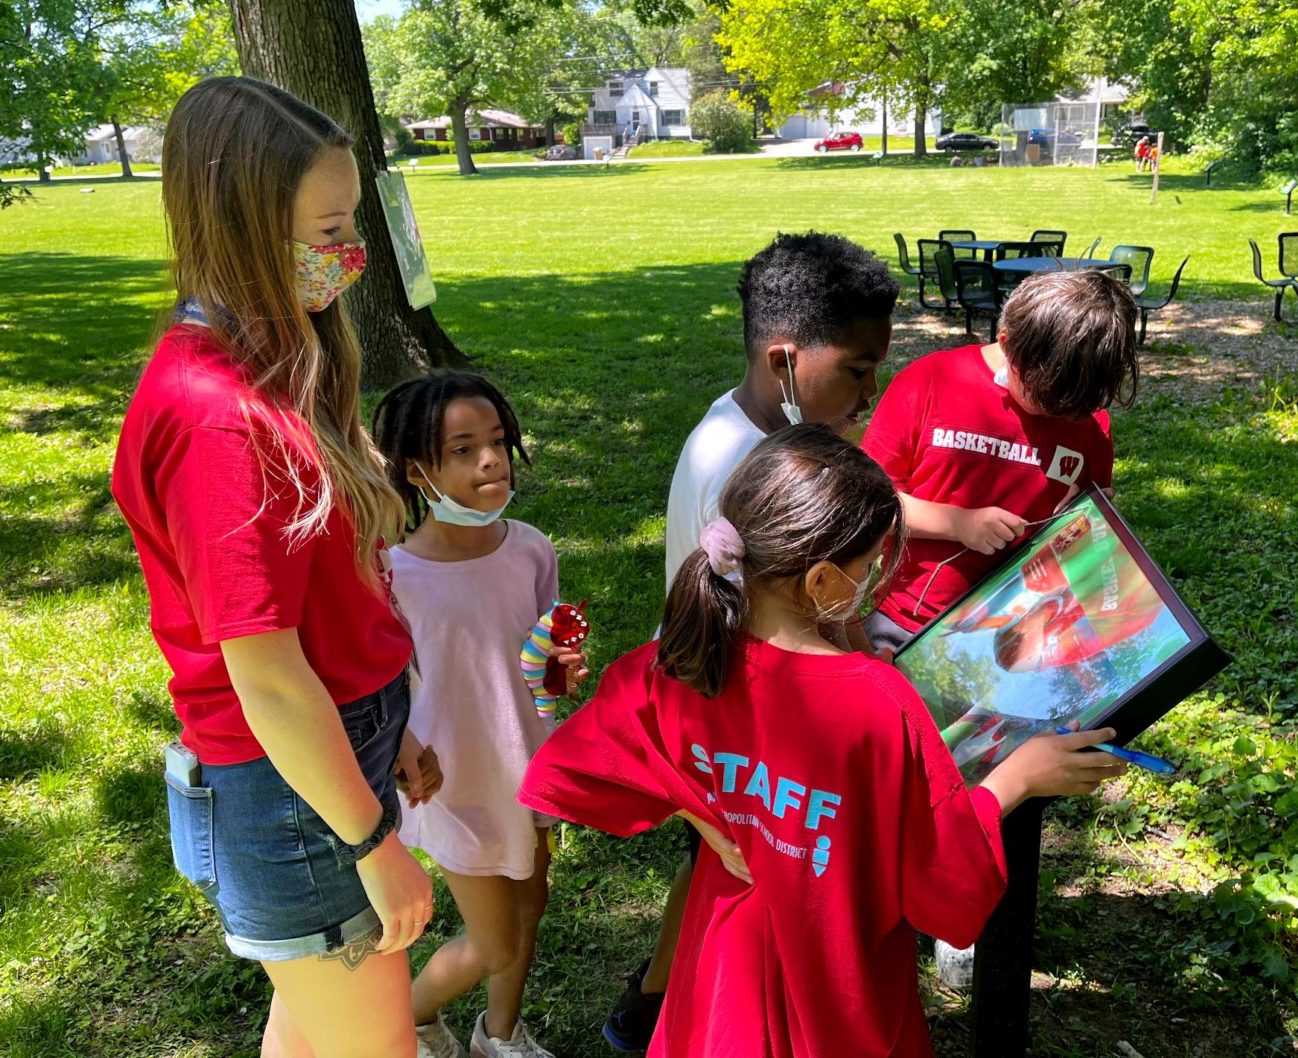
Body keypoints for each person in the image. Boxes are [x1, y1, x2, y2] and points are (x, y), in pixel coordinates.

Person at [517, 424, 1126, 1058]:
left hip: (722, 977)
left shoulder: (682, 660)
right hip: (834, 991)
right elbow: (939, 882)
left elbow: (579, 762)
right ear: (823, 583)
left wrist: (701, 810)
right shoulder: (878, 702)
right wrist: (1015, 780)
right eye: (869, 566)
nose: (873, 581)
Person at [111, 76, 438, 1058]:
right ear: (245, 229)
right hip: (298, 792)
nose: (353, 251)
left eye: (353, 217)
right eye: (328, 225)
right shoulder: (215, 415)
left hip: (335, 758)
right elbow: (268, 673)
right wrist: (372, 839)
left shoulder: (273, 360)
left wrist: (397, 729)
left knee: (309, 1036)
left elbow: (338, 587)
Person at [608, 231, 900, 1050]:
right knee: (737, 874)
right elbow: (777, 617)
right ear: (784, 361)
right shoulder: (745, 461)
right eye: (856, 369)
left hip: (724, 714)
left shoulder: (753, 429)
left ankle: (647, 1006)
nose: (871, 393)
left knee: (710, 868)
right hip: (742, 722)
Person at [371, 372, 587, 1058]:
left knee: (530, 908)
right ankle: (408, 1014)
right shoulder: (392, 576)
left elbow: (543, 657)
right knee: (493, 941)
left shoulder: (530, 548)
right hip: (453, 784)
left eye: (496, 442)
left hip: (531, 767)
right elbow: (383, 690)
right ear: (418, 472)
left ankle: (499, 1035)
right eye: (462, 450)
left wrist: (561, 674)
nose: (490, 460)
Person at [859, 269, 1138, 658]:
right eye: (1042, 398)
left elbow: (1085, 538)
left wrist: (1087, 521)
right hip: (907, 623)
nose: (1054, 412)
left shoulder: (1089, 424)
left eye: (1071, 408)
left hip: (1016, 633)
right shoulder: (930, 383)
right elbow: (866, 506)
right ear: (1007, 343)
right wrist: (959, 524)